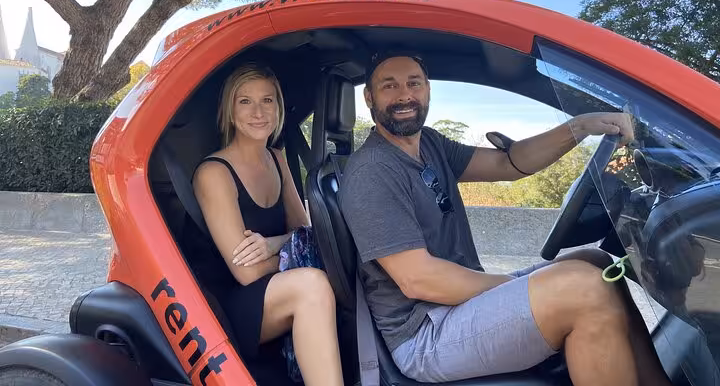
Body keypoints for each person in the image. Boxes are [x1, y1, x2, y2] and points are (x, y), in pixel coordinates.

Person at [338, 51, 672, 386]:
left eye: (414, 83)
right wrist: (517, 286)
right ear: (369, 97)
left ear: (427, 90)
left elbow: (508, 164)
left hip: (455, 308)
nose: (404, 95)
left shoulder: (430, 145)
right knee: (585, 290)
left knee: (596, 262)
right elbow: (420, 280)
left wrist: (580, 126)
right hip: (425, 334)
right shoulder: (373, 170)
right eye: (389, 85)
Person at [192, 63, 343, 386]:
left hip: (272, 287)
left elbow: (305, 235)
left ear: (278, 108)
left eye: (268, 100)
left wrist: (274, 244)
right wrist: (290, 252)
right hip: (228, 304)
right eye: (245, 101)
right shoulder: (214, 173)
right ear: (230, 112)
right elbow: (246, 272)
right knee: (312, 284)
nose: (258, 112)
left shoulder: (278, 159)